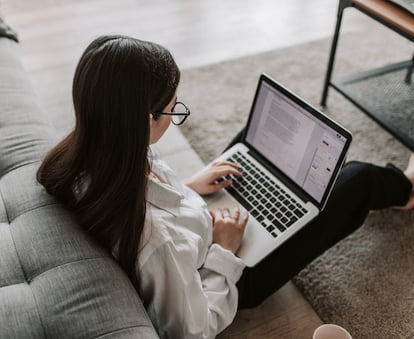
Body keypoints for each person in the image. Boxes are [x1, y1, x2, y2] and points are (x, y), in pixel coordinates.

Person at [36, 35, 414, 338]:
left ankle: (325, 184)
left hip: (201, 228)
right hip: (232, 272)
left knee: (251, 145)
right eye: (173, 109)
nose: (176, 112)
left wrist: (187, 187)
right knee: (360, 178)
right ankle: (404, 190)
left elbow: (143, 199)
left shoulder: (92, 154)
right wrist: (224, 251)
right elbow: (193, 329)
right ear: (145, 120)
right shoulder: (158, 243)